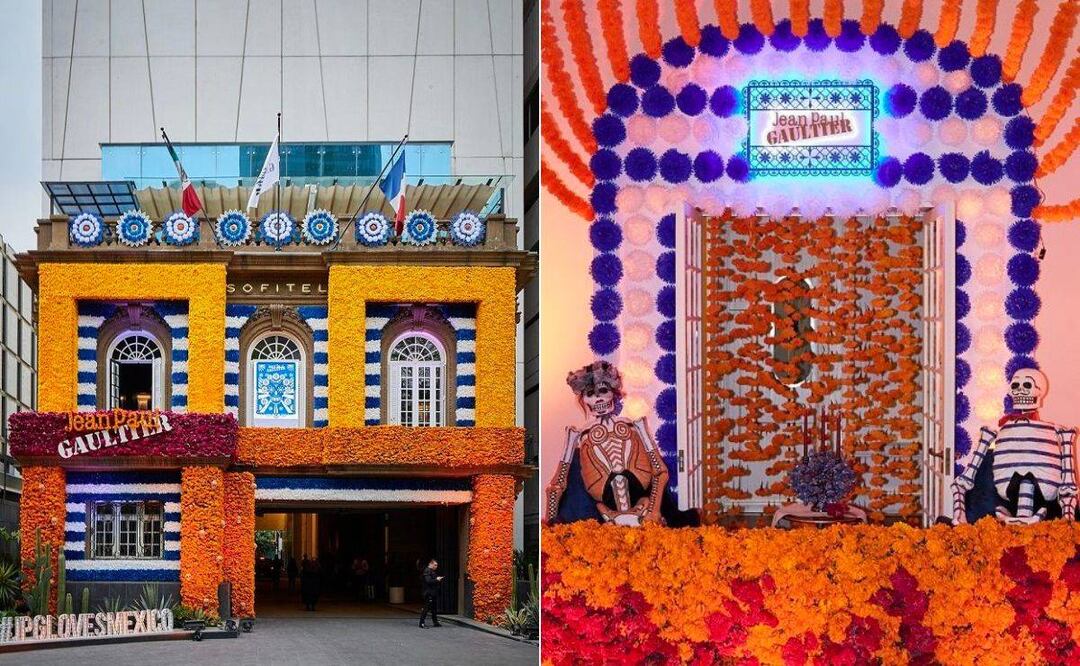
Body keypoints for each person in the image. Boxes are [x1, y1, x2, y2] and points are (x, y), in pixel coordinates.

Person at [418, 558, 443, 628]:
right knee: (426, 608)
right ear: (430, 564)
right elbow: (428, 581)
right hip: (428, 593)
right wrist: (437, 579)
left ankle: (435, 622)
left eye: (437, 565)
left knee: (434, 608)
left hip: (432, 592)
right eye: (435, 565)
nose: (436, 566)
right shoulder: (427, 570)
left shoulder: (431, 571)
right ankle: (421, 623)